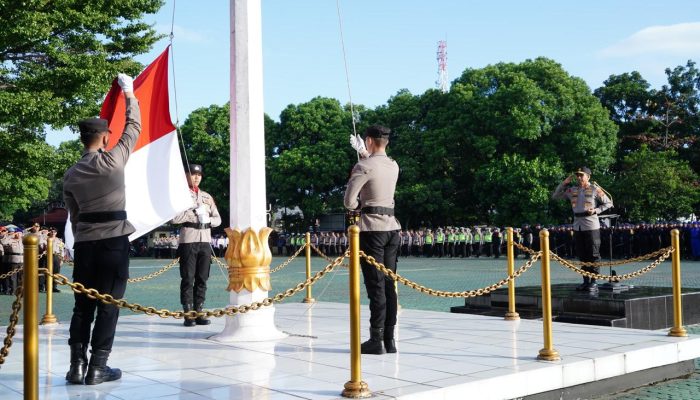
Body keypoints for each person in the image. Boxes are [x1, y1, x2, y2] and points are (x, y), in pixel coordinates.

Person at [63, 73, 138, 385]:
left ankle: (76, 366)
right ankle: (98, 367)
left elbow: (74, 216)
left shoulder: (70, 174)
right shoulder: (114, 161)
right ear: (106, 137)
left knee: (83, 306)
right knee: (109, 305)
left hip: (86, 245)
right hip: (113, 242)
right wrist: (129, 92)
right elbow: (134, 128)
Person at [346, 125, 401, 355]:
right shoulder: (394, 165)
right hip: (392, 228)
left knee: (376, 286)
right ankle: (389, 340)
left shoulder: (363, 166)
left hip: (371, 230)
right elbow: (378, 167)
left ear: (368, 141)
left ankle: (375, 340)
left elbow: (349, 202)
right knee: (389, 285)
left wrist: (359, 164)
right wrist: (366, 154)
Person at [171, 163, 221, 327]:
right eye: (193, 174)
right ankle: (188, 314)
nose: (196, 177)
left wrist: (208, 220)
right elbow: (174, 219)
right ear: (186, 175)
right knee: (188, 278)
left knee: (202, 278)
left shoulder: (206, 197)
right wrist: (193, 213)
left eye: (199, 174)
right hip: (189, 240)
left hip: (205, 240)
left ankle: (199, 312)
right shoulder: (181, 196)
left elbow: (218, 219)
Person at [552, 167, 613, 292]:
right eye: (577, 175)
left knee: (593, 254)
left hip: (591, 225)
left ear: (588, 177)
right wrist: (564, 183)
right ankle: (585, 281)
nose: (579, 177)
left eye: (581, 175)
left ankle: (594, 281)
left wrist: (596, 210)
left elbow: (609, 203)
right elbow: (555, 196)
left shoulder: (595, 189)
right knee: (582, 254)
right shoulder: (572, 190)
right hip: (577, 225)